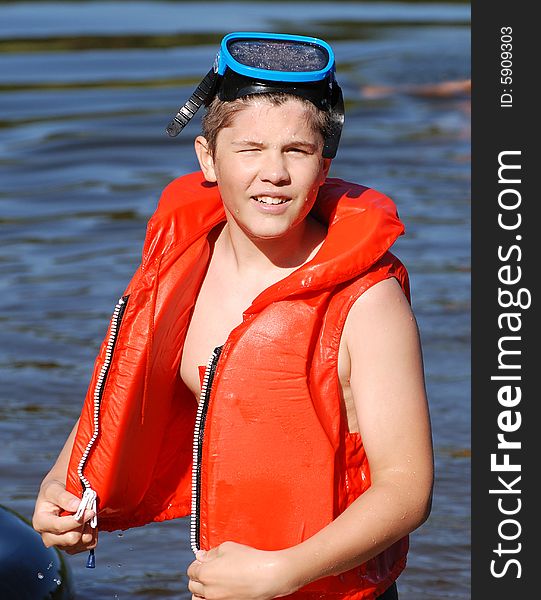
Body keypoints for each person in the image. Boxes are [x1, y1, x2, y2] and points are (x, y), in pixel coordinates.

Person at [32, 32, 433, 599]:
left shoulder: (367, 302)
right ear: (208, 158)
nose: (274, 172)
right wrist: (62, 479)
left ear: (324, 162)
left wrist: (284, 571)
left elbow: (407, 489)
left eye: (296, 150)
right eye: (249, 149)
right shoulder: (182, 265)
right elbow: (127, 384)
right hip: (218, 582)